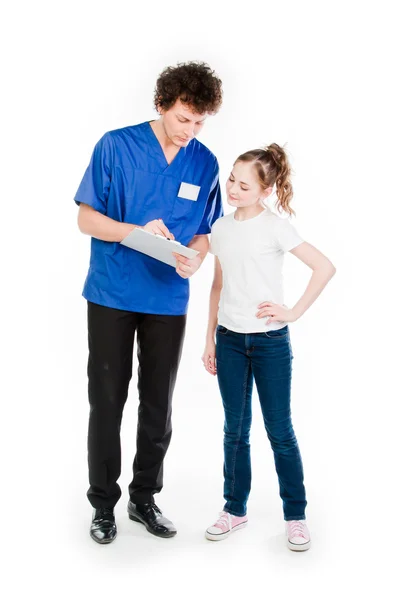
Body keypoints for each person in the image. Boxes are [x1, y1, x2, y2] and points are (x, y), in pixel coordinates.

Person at [74, 61, 223, 544]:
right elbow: (88, 220)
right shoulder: (115, 146)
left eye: (200, 122)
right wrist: (135, 234)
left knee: (158, 404)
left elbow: (203, 234)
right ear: (161, 105)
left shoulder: (205, 162)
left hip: (167, 297)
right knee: (108, 401)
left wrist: (195, 259)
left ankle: (143, 498)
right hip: (113, 292)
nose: (190, 131)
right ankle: (102, 503)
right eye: (183, 118)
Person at [202, 144, 336, 551]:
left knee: (280, 431)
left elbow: (324, 266)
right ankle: (234, 509)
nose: (233, 189)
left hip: (270, 343)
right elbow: (218, 287)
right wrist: (208, 338)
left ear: (265, 190)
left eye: (244, 185)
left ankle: (295, 516)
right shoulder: (221, 229)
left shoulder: (276, 227)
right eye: (231, 179)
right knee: (234, 432)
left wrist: (292, 312)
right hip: (228, 341)